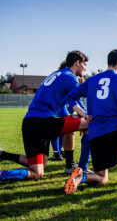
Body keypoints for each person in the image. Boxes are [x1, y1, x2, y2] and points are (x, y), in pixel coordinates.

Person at [0, 51, 90, 182]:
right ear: (77, 62)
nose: (85, 68)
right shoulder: (71, 78)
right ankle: (77, 166)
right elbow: (75, 102)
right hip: (43, 121)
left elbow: (63, 110)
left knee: (38, 172)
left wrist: (75, 120)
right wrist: (86, 116)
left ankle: (3, 158)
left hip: (30, 123)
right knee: (89, 123)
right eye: (85, 64)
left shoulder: (56, 74)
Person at [63, 49, 117, 194]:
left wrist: (83, 114)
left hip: (96, 134)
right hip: (116, 131)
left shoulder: (92, 80)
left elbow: (70, 97)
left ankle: (81, 176)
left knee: (102, 178)